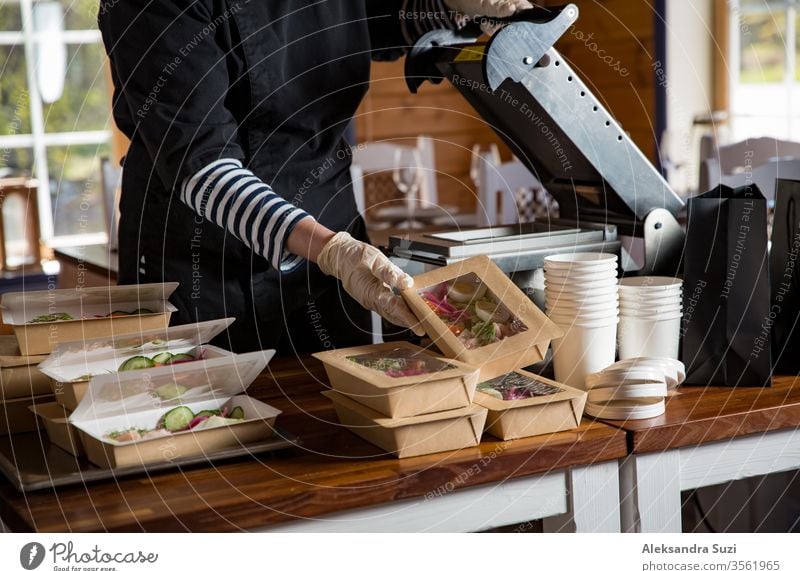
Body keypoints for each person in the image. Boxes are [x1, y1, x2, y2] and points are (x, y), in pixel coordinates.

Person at [99, 0, 532, 353]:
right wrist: (333, 250)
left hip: (324, 236)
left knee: (342, 421)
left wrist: (448, 6)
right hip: (197, 256)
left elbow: (381, 22)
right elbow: (201, 165)